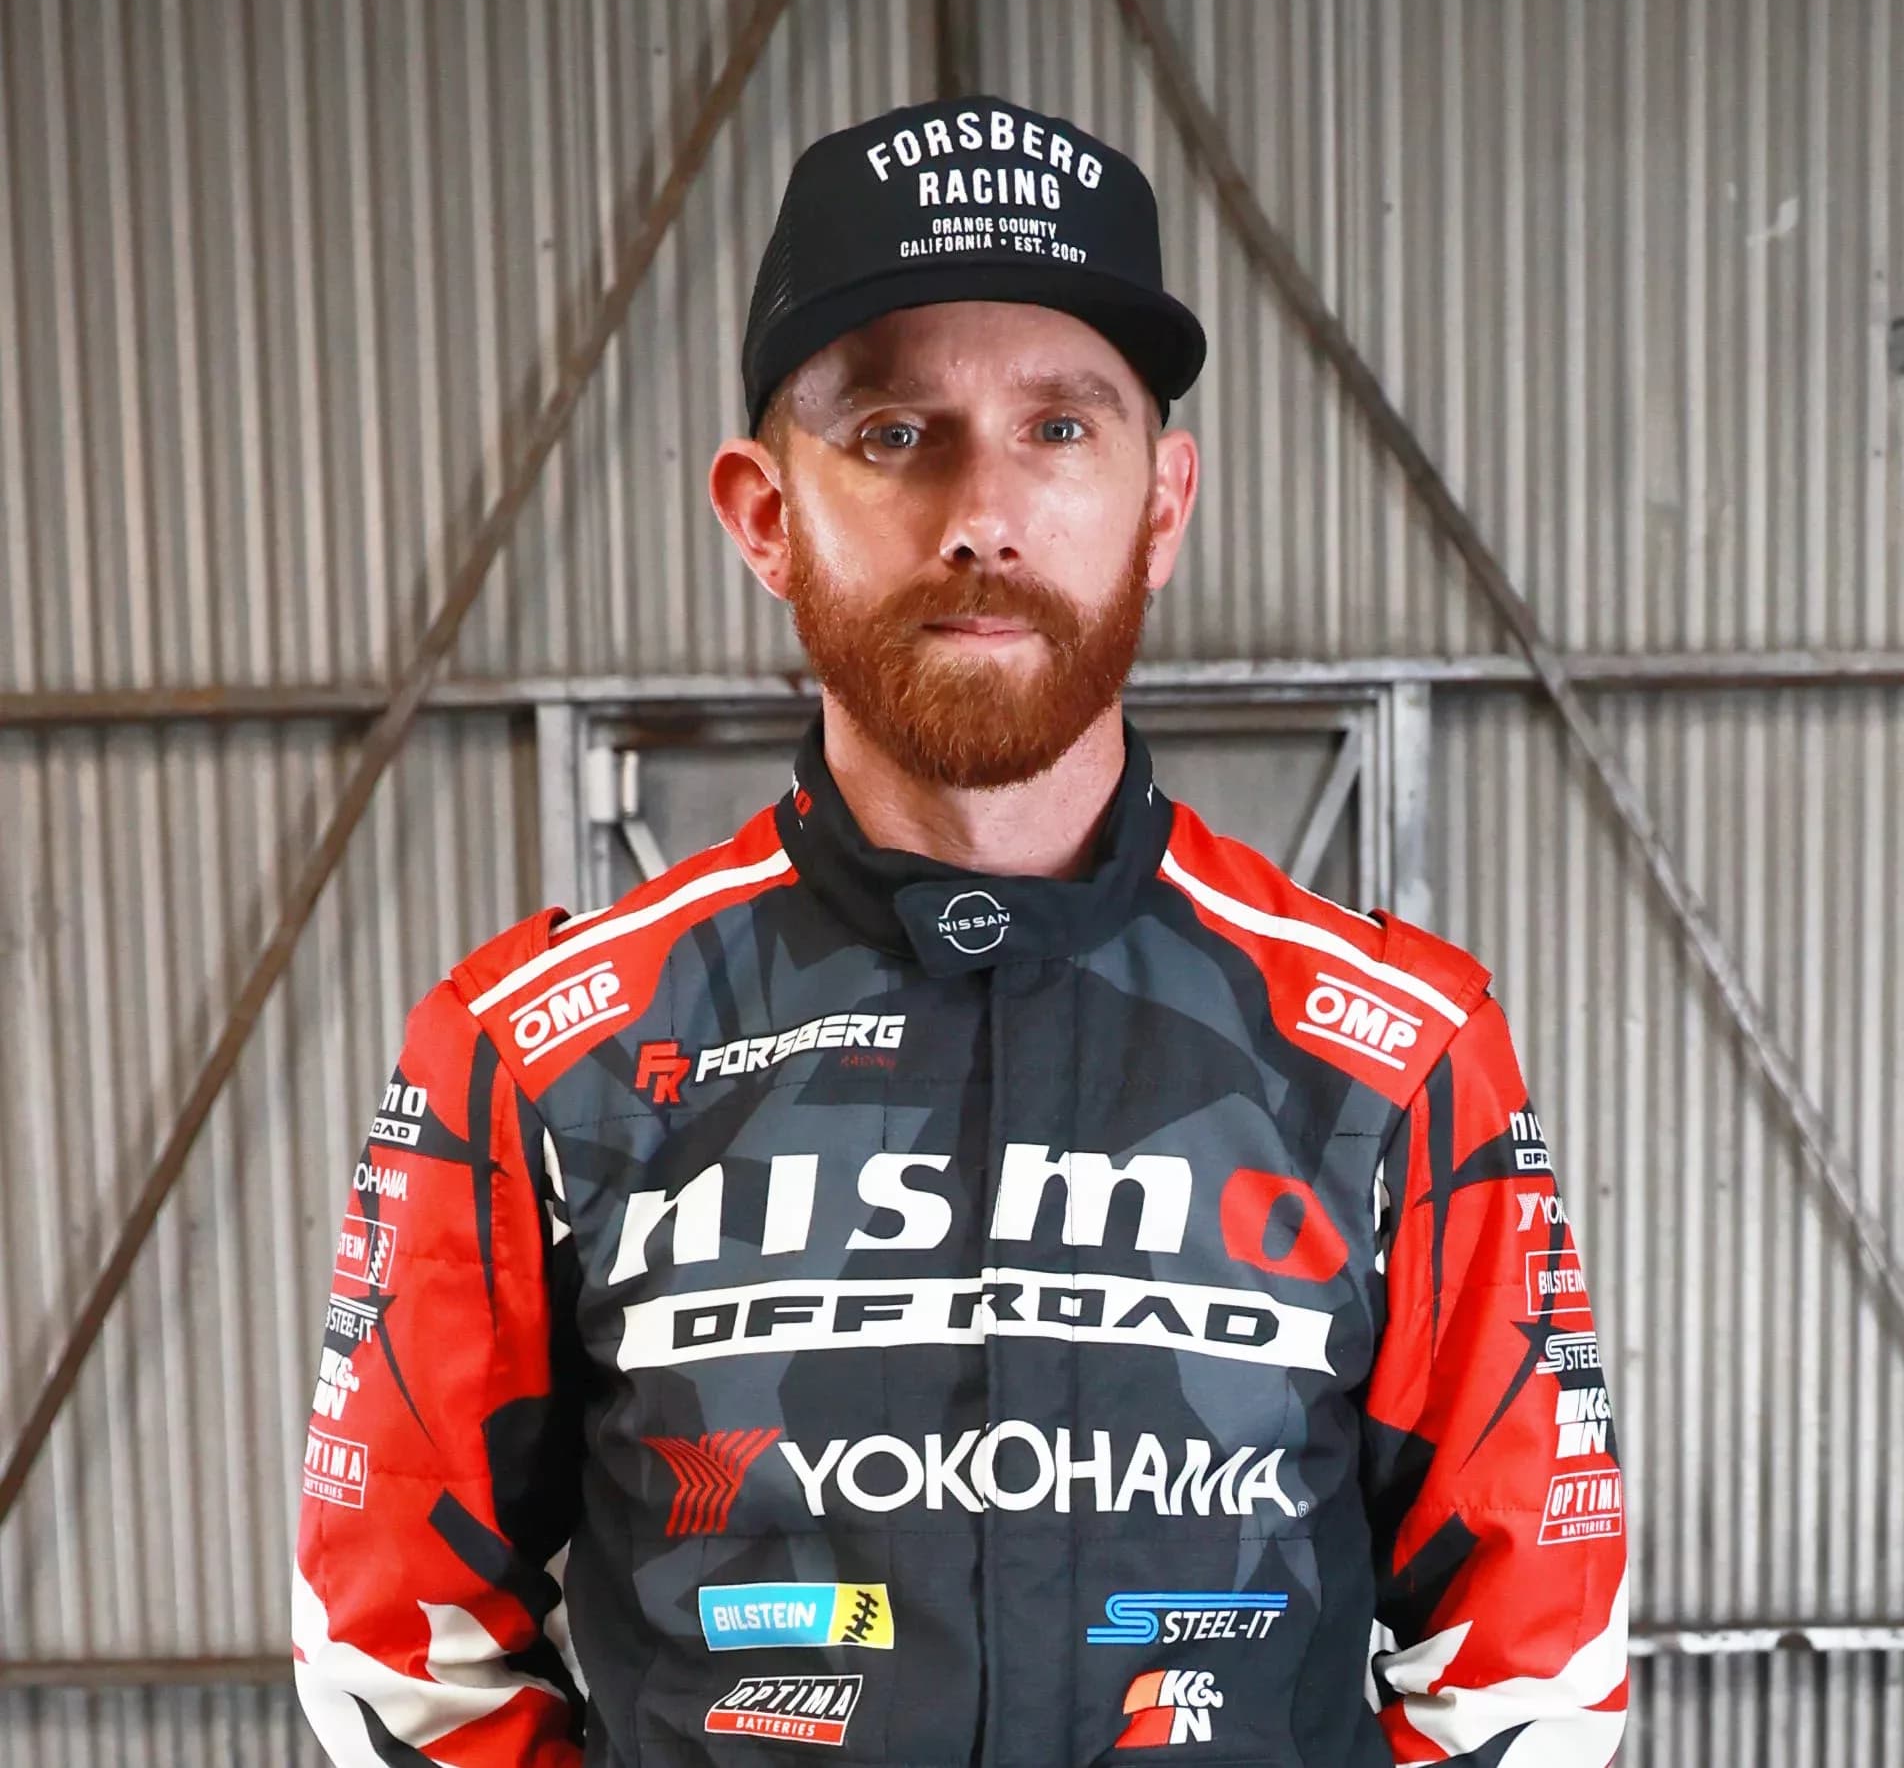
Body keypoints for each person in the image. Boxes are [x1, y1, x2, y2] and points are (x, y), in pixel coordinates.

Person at [293, 96, 1627, 1766]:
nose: (983, 513)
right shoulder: (534, 1053)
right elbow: (399, 1657)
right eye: (893, 432)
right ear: (765, 515)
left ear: (1163, 504)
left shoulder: (1402, 1052)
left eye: (1060, 427)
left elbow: (1527, 1672)